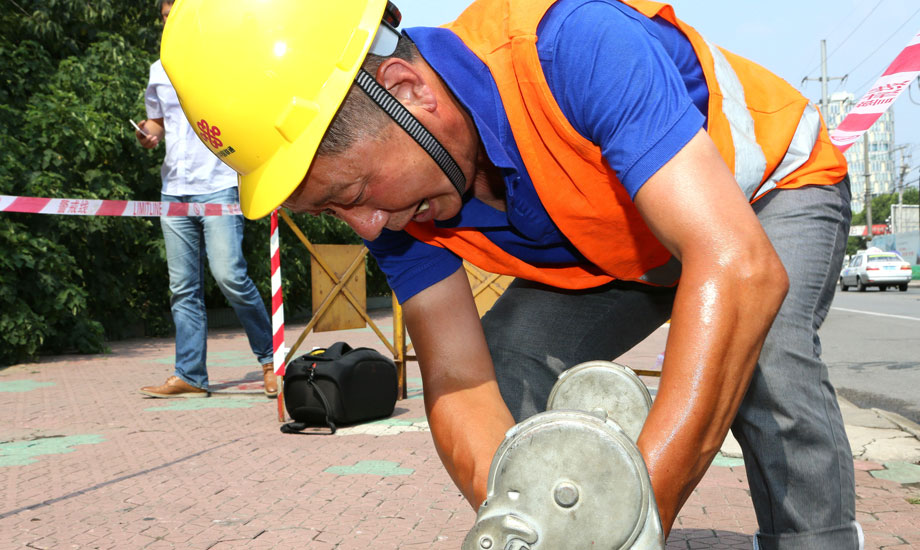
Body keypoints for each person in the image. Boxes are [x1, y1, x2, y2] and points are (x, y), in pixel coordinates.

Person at [162, 0, 860, 547]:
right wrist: (534, 527)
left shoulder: (571, 45)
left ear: (406, 89)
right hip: (627, 251)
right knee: (505, 365)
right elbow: (461, 381)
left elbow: (736, 268)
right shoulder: (399, 199)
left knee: (765, 348)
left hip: (767, 194)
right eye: (335, 212)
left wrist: (631, 516)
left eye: (351, 195)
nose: (368, 227)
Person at [135, 0, 277, 399]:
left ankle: (271, 361)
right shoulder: (158, 69)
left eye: (174, 17)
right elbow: (157, 122)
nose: (168, 24)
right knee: (182, 288)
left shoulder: (223, 62)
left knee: (230, 276)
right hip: (173, 189)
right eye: (164, 19)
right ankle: (191, 375)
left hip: (218, 184)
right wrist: (146, 134)